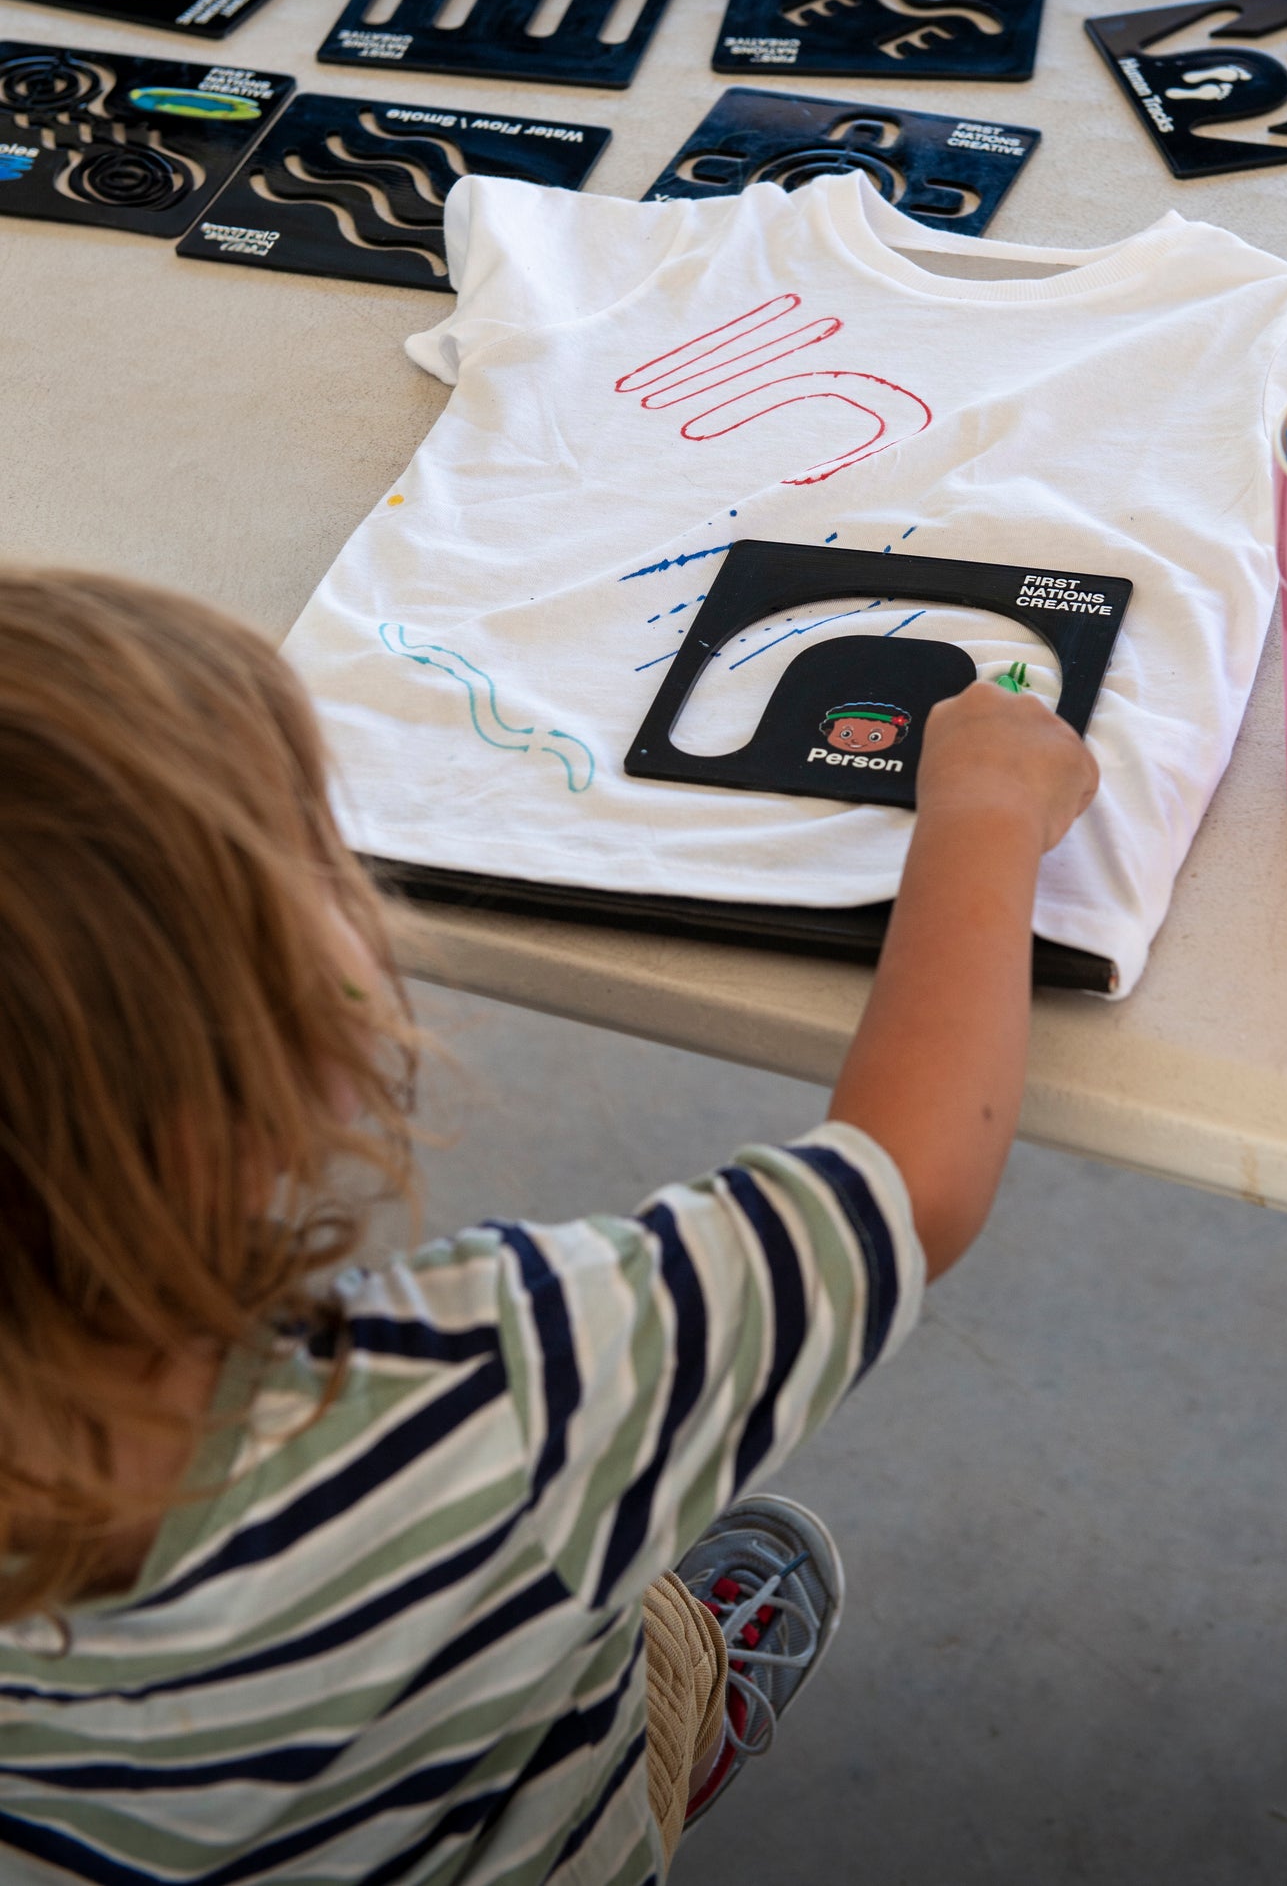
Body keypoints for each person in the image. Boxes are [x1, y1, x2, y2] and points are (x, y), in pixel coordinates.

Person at [0, 569, 1097, 1884]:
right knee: (581, 1560)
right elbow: (906, 1183)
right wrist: (983, 812)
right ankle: (667, 1687)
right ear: (250, 1074)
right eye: (311, 851)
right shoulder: (502, 1400)